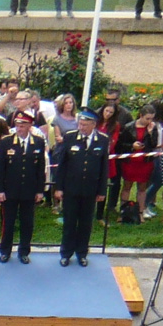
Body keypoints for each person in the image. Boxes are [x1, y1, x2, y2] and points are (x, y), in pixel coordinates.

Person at [56, 114, 112, 268]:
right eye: (80, 124)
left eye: (85, 125)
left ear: (93, 124)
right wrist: (59, 187)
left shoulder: (102, 139)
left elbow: (104, 167)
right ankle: (66, 253)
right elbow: (62, 165)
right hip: (71, 188)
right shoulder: (70, 137)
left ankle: (82, 253)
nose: (81, 128)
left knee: (86, 223)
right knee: (69, 223)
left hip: (90, 189)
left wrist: (101, 191)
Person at [0, 110, 48, 265]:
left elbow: (40, 169)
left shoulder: (38, 142)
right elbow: (0, 169)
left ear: (30, 125)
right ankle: (5, 251)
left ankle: (24, 251)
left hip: (29, 191)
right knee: (8, 223)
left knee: (27, 223)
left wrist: (40, 190)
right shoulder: (6, 142)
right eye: (17, 124)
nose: (19, 127)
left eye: (23, 125)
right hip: (10, 190)